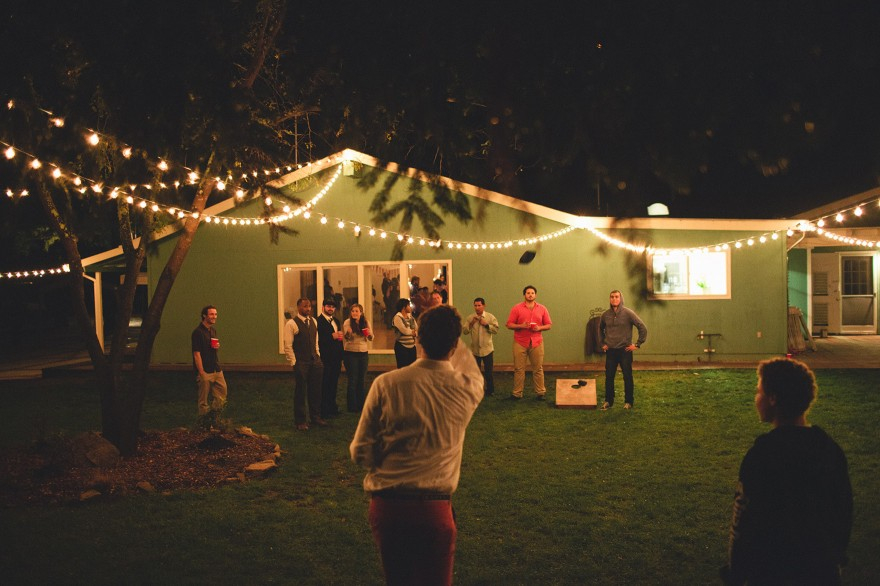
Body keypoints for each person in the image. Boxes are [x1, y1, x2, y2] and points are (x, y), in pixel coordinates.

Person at [350, 304, 483, 586]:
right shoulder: (468, 387)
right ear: (455, 343)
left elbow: (360, 453)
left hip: (389, 508)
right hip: (434, 510)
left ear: (418, 339)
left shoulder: (386, 384)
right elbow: (468, 363)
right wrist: (452, 339)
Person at [722, 358, 852, 585]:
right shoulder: (829, 449)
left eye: (759, 392)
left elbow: (742, 523)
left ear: (773, 399)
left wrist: (736, 573)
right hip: (821, 570)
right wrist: (834, 558)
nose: (756, 398)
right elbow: (843, 511)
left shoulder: (762, 454)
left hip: (772, 571)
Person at [599, 290, 647, 410]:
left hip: (624, 351)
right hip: (611, 351)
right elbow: (600, 330)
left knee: (627, 376)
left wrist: (637, 344)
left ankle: (628, 402)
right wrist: (602, 343)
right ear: (609, 299)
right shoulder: (605, 315)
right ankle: (608, 401)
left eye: (616, 297)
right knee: (609, 377)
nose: (614, 299)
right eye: (612, 297)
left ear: (620, 299)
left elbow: (642, 327)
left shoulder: (628, 313)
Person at [283, 298, 327, 431]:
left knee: (316, 391)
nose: (308, 309)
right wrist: (294, 362)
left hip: (315, 361)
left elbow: (315, 340)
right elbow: (288, 345)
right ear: (298, 307)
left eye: (309, 306)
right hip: (301, 362)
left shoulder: (313, 321)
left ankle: (315, 417)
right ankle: (300, 421)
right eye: (304, 306)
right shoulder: (291, 324)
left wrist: (317, 355)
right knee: (301, 392)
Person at [505, 285, 552, 400]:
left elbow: (549, 325)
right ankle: (517, 393)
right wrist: (521, 325)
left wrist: (539, 328)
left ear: (535, 295)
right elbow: (509, 324)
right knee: (519, 369)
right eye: (528, 293)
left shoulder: (542, 309)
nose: (530, 295)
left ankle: (540, 393)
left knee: (538, 368)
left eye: (532, 293)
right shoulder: (516, 308)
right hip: (520, 342)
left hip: (537, 342)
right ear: (524, 295)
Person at [191, 305, 228, 416]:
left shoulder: (213, 330)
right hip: (205, 371)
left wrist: (216, 346)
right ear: (204, 316)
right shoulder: (197, 332)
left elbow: (210, 346)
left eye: (215, 314)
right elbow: (196, 354)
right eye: (211, 314)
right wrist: (201, 372)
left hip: (216, 369)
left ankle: (214, 419)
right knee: (204, 401)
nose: (214, 316)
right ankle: (204, 425)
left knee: (222, 394)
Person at [463, 297, 499, 396]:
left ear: (484, 306)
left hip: (487, 349)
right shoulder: (470, 318)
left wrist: (487, 325)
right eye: (475, 305)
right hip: (475, 350)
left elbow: (496, 330)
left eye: (479, 305)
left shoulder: (490, 317)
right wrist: (472, 323)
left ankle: (490, 390)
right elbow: (465, 331)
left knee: (488, 372)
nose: (477, 307)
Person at [343, 303, 374, 412]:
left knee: (362, 379)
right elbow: (346, 338)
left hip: (363, 353)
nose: (354, 313)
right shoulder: (347, 322)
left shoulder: (365, 322)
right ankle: (352, 406)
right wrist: (348, 333)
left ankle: (361, 405)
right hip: (351, 353)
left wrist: (369, 334)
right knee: (353, 380)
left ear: (361, 313)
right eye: (353, 311)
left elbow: (371, 338)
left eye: (357, 311)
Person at [317, 298, 344, 419]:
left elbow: (337, 338)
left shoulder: (336, 321)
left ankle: (332, 407)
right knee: (324, 384)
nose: (331, 309)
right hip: (325, 358)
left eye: (333, 307)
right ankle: (324, 410)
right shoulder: (317, 321)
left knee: (333, 383)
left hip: (336, 358)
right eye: (328, 306)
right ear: (323, 307)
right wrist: (331, 336)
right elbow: (317, 340)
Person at [391, 298, 418, 368]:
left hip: (412, 346)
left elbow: (416, 328)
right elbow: (404, 330)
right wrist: (413, 332)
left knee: (412, 368)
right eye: (408, 305)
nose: (410, 307)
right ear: (403, 307)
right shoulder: (397, 318)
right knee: (402, 368)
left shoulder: (411, 318)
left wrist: (415, 332)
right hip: (402, 347)